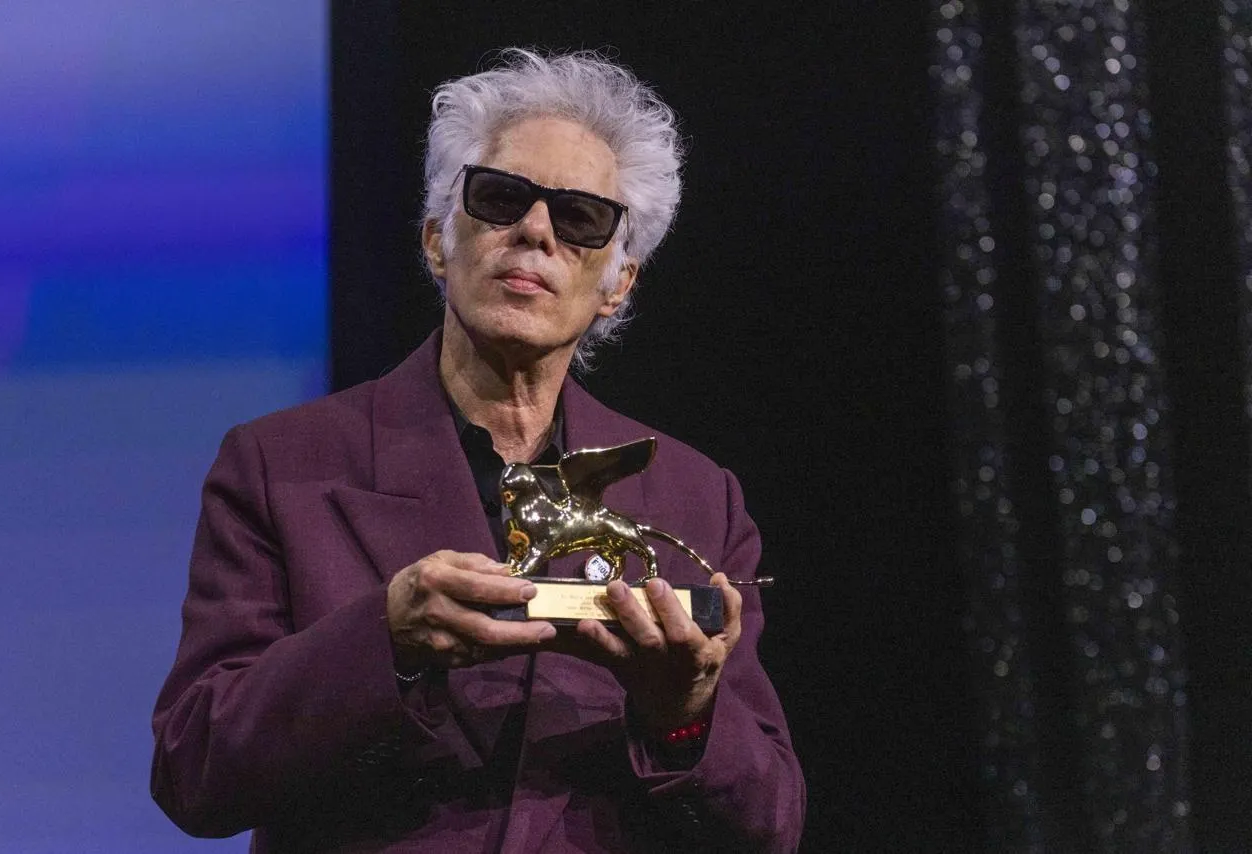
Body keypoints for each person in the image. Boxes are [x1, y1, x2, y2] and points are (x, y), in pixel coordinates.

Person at [152, 48, 806, 853]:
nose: (536, 231)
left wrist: (684, 717)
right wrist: (383, 641)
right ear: (437, 241)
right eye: (500, 199)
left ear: (618, 284)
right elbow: (194, 769)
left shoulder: (695, 498)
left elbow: (771, 826)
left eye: (580, 218)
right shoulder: (281, 466)